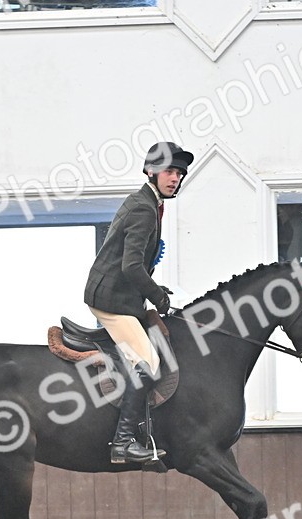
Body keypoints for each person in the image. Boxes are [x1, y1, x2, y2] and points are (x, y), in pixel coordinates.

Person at [84, 141, 194, 465]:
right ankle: (122, 444)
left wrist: (155, 289)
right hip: (110, 299)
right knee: (147, 364)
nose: (175, 178)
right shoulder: (143, 208)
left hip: (122, 294)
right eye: (169, 171)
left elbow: (135, 265)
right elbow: (130, 267)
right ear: (151, 171)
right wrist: (157, 296)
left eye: (179, 173)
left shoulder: (150, 203)